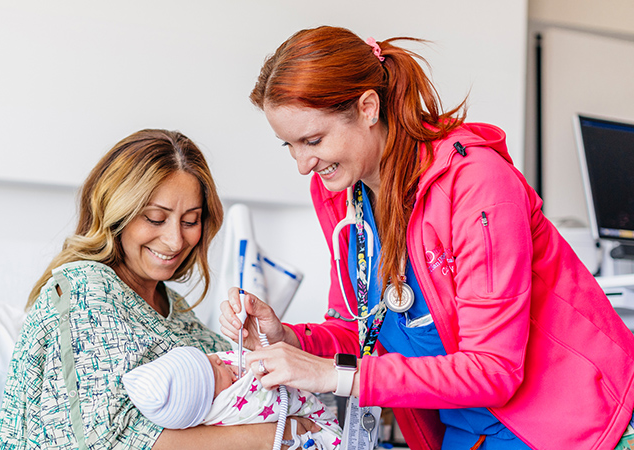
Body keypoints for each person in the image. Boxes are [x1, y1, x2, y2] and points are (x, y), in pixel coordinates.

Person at [219, 26, 634, 450]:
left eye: (313, 140)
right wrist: (289, 340)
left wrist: (333, 375)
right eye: (288, 145)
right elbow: (359, 330)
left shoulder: (476, 184)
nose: (303, 164)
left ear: (367, 107)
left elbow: (492, 369)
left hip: (574, 428)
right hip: (468, 431)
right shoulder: (342, 196)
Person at [0, 129, 317, 450]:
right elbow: (107, 441)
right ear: (117, 213)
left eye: (190, 221)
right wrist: (280, 434)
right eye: (155, 218)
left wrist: (257, 347)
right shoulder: (82, 291)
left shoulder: (175, 311)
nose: (175, 241)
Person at [122, 346, 343, 449]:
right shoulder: (232, 404)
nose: (219, 360)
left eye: (208, 357)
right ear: (211, 401)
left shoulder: (221, 378)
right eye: (214, 371)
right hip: (317, 429)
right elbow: (266, 395)